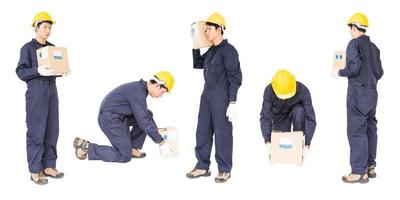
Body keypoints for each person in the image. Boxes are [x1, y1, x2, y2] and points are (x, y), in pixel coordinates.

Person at [186, 12, 242, 183]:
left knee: (222, 133)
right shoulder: (211, 51)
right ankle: (202, 166)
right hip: (207, 97)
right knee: (202, 131)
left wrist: (232, 101)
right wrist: (196, 44)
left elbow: (236, 77)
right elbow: (198, 64)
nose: (206, 32)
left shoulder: (229, 51)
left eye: (208, 29)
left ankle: (224, 169)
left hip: (221, 98)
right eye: (205, 30)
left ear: (219, 29)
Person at [74, 71, 175, 163]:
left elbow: (145, 117)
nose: (161, 95)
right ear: (158, 86)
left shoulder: (139, 89)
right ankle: (86, 147)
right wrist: (161, 142)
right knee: (124, 156)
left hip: (118, 116)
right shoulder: (138, 93)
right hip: (110, 120)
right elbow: (143, 120)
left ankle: (132, 148)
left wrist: (156, 131)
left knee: (147, 114)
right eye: (162, 92)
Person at [332, 13, 383, 184]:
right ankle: (370, 166)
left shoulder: (354, 44)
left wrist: (339, 72)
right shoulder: (374, 48)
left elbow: (354, 68)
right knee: (370, 129)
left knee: (356, 131)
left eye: (350, 28)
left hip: (358, 93)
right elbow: (379, 73)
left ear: (354, 27)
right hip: (372, 93)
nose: (349, 31)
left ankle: (359, 172)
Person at [16, 11, 66, 185]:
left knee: (52, 129)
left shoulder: (52, 48)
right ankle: (36, 169)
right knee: (37, 131)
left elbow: (56, 66)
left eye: (50, 27)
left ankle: (49, 165)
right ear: (36, 27)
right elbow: (20, 72)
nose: (48, 30)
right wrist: (37, 71)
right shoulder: (27, 48)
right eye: (45, 27)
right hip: (36, 93)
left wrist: (62, 71)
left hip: (52, 92)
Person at [260, 69, 316, 159]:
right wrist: (268, 141)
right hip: (279, 116)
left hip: (297, 114)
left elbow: (310, 118)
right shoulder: (269, 91)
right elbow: (265, 116)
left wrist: (307, 144)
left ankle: (298, 141)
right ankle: (285, 146)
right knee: (281, 142)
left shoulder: (303, 90)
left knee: (299, 110)